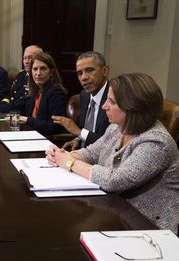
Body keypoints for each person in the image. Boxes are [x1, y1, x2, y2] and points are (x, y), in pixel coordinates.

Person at [46, 73, 179, 233]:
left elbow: (114, 180)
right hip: (114, 213)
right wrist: (62, 155)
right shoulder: (117, 127)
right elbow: (91, 153)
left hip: (148, 228)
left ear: (133, 107)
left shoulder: (157, 143)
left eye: (112, 101)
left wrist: (69, 162)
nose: (104, 106)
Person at [52, 51, 110, 150]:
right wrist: (78, 139)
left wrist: (78, 131)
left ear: (105, 71)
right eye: (80, 73)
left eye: (90, 70)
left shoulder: (116, 99)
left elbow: (109, 144)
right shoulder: (84, 95)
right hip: (81, 154)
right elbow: (88, 130)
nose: (84, 77)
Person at [0, 45, 43, 116]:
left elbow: (25, 103)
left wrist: (0, 108)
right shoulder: (21, 74)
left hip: (22, 116)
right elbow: (10, 96)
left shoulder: (39, 80)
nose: (26, 61)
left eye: (30, 58)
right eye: (24, 58)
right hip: (11, 112)